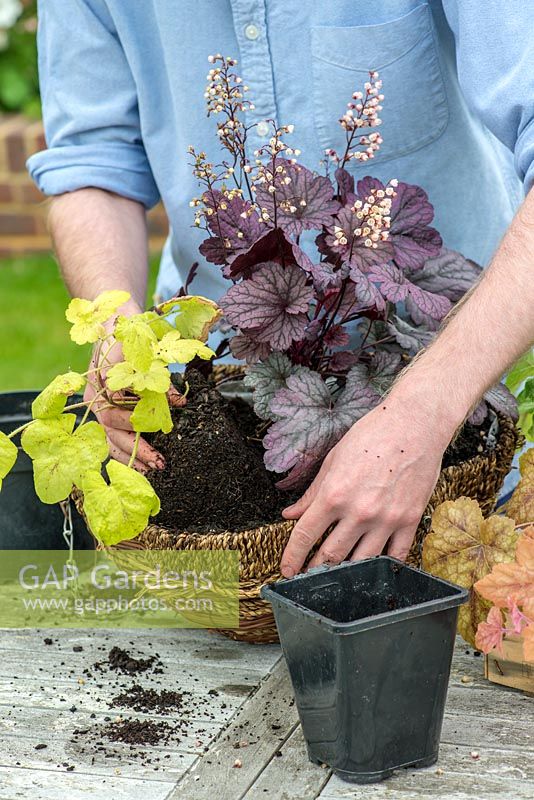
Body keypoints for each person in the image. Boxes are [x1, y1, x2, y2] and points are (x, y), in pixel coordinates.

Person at [28, 1, 534, 577]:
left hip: (461, 410)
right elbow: (93, 165)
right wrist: (120, 330)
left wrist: (425, 411)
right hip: (220, 409)